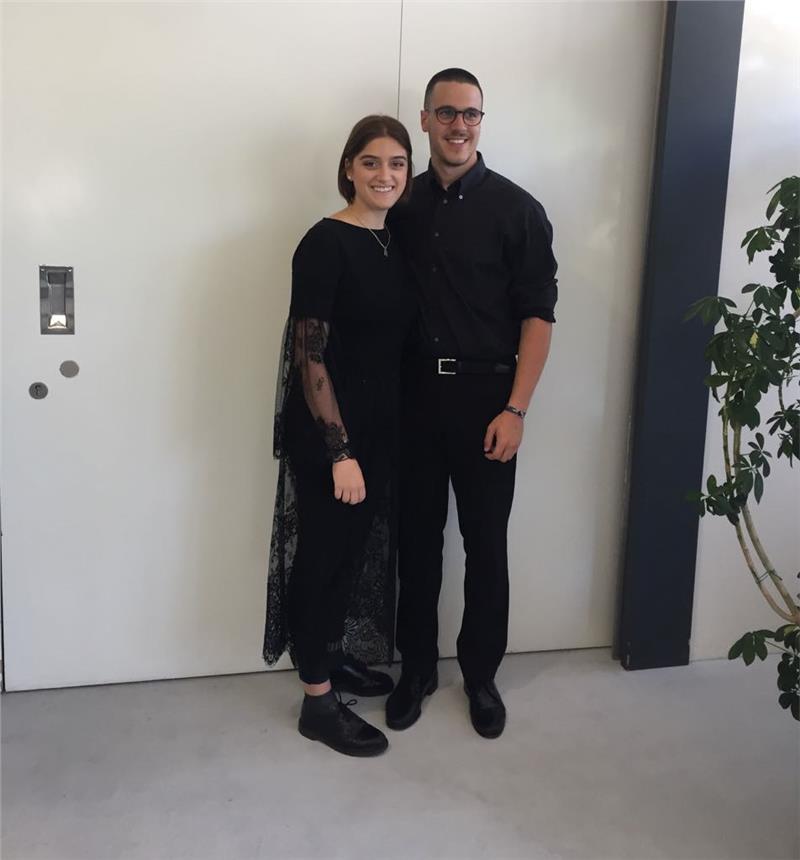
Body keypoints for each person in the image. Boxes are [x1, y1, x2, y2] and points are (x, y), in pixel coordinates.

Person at [387, 69, 558, 739]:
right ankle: (416, 671)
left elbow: (537, 318)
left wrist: (516, 410)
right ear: (425, 119)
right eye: (447, 113)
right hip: (413, 401)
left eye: (471, 114)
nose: (459, 125)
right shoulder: (400, 204)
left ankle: (481, 676)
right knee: (416, 543)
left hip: (489, 402)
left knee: (486, 546)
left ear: (481, 122)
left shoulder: (518, 210)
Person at [263, 115, 416, 757]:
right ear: (348, 168)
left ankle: (329, 655)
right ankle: (317, 701)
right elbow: (310, 356)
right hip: (332, 434)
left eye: (397, 163)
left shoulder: (392, 240)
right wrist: (340, 451)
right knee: (322, 559)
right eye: (371, 162)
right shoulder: (324, 242)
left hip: (379, 429)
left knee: (351, 554)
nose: (385, 175)